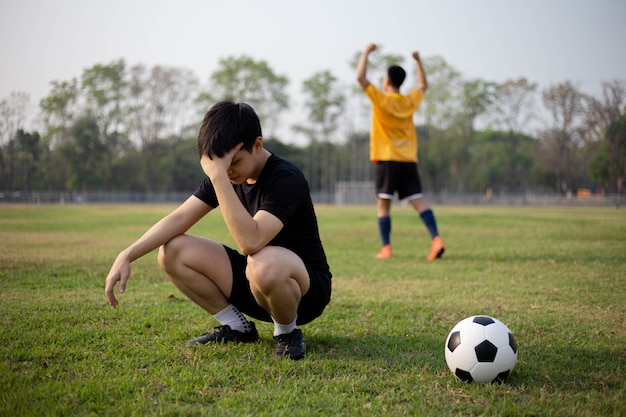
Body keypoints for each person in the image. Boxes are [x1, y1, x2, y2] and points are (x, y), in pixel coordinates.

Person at [104, 101, 332, 360]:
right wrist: (127, 254)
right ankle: (237, 327)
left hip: (304, 291)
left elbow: (250, 241)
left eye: (233, 162)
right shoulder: (226, 175)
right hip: (256, 280)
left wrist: (219, 177)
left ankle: (287, 333)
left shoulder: (286, 177)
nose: (227, 171)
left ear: (257, 145)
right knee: (172, 250)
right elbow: (179, 217)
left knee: (263, 260)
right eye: (220, 167)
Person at [356, 42, 445, 261]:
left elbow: (360, 78)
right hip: (407, 160)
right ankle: (436, 239)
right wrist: (418, 60)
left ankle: (386, 248)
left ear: (387, 81)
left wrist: (366, 52)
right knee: (419, 201)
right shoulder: (408, 102)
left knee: (383, 206)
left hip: (386, 160)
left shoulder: (381, 98)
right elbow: (423, 85)